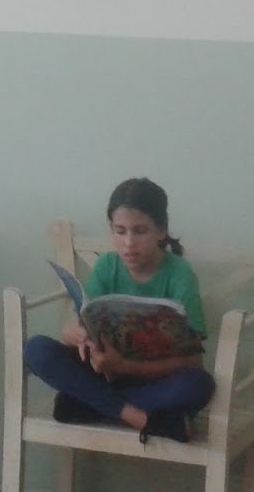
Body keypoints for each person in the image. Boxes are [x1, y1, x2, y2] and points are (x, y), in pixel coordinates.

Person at [22, 178, 213, 444]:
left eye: (140, 231)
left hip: (153, 379)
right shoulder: (106, 266)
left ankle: (87, 404)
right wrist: (73, 334)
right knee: (36, 350)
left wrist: (124, 365)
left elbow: (192, 362)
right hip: (102, 373)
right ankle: (142, 419)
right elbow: (84, 322)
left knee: (199, 385)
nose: (129, 242)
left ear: (162, 230)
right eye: (120, 231)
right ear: (111, 230)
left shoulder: (180, 274)